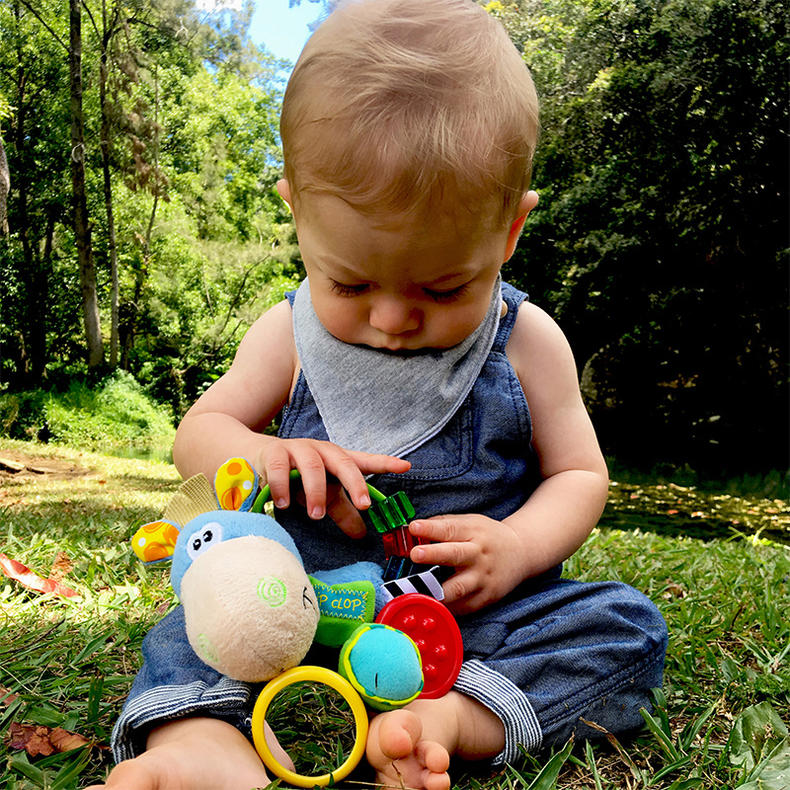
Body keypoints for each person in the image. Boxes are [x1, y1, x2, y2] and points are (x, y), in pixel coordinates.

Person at [88, 1, 667, 788]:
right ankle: (197, 737)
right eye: (351, 281)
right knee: (194, 617)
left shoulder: (528, 342)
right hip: (284, 603)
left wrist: (518, 549)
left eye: (441, 286)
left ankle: (455, 717)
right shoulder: (288, 331)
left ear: (508, 234)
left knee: (624, 625)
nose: (392, 318)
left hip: (464, 621)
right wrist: (264, 452)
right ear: (298, 215)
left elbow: (580, 474)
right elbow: (199, 434)